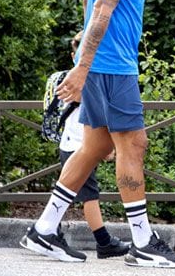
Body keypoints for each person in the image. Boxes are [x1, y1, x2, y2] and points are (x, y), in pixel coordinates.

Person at [21, 0, 175, 268]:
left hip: (101, 61)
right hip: (112, 65)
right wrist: (82, 67)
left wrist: (84, 45)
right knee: (134, 144)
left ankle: (44, 229)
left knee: (96, 146)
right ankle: (143, 243)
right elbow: (102, 6)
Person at [20, 31, 130, 259]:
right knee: (88, 195)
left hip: (71, 142)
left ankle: (50, 231)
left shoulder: (64, 77)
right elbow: (100, 109)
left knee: (70, 192)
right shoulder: (79, 81)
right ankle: (103, 242)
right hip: (79, 145)